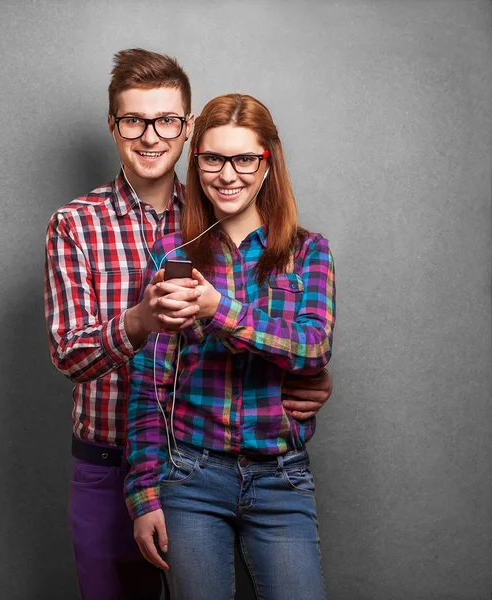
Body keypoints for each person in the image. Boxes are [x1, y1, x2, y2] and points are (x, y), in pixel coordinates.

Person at [45, 48, 333, 600]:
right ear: (114, 126)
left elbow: (304, 340)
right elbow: (75, 357)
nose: (151, 136)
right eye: (134, 120)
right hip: (118, 459)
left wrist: (306, 377)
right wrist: (142, 318)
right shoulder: (80, 225)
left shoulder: (221, 215)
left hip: (227, 463)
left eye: (166, 122)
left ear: (187, 129)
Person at [125, 94, 336, 600]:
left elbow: (312, 349)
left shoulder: (307, 251)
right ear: (196, 161)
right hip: (191, 476)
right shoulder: (173, 256)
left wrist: (219, 308)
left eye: (244, 158)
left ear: (268, 163)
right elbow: (151, 382)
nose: (227, 174)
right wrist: (144, 493)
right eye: (213, 158)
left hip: (281, 478)